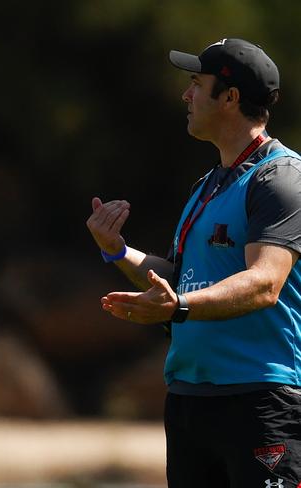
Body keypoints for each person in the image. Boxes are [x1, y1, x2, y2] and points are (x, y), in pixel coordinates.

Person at [87, 38, 301, 487]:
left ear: (230, 97)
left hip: (259, 401)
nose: (186, 95)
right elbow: (180, 279)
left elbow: (265, 283)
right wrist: (118, 250)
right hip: (189, 401)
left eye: (196, 84)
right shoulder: (209, 184)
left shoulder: (280, 179)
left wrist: (178, 306)